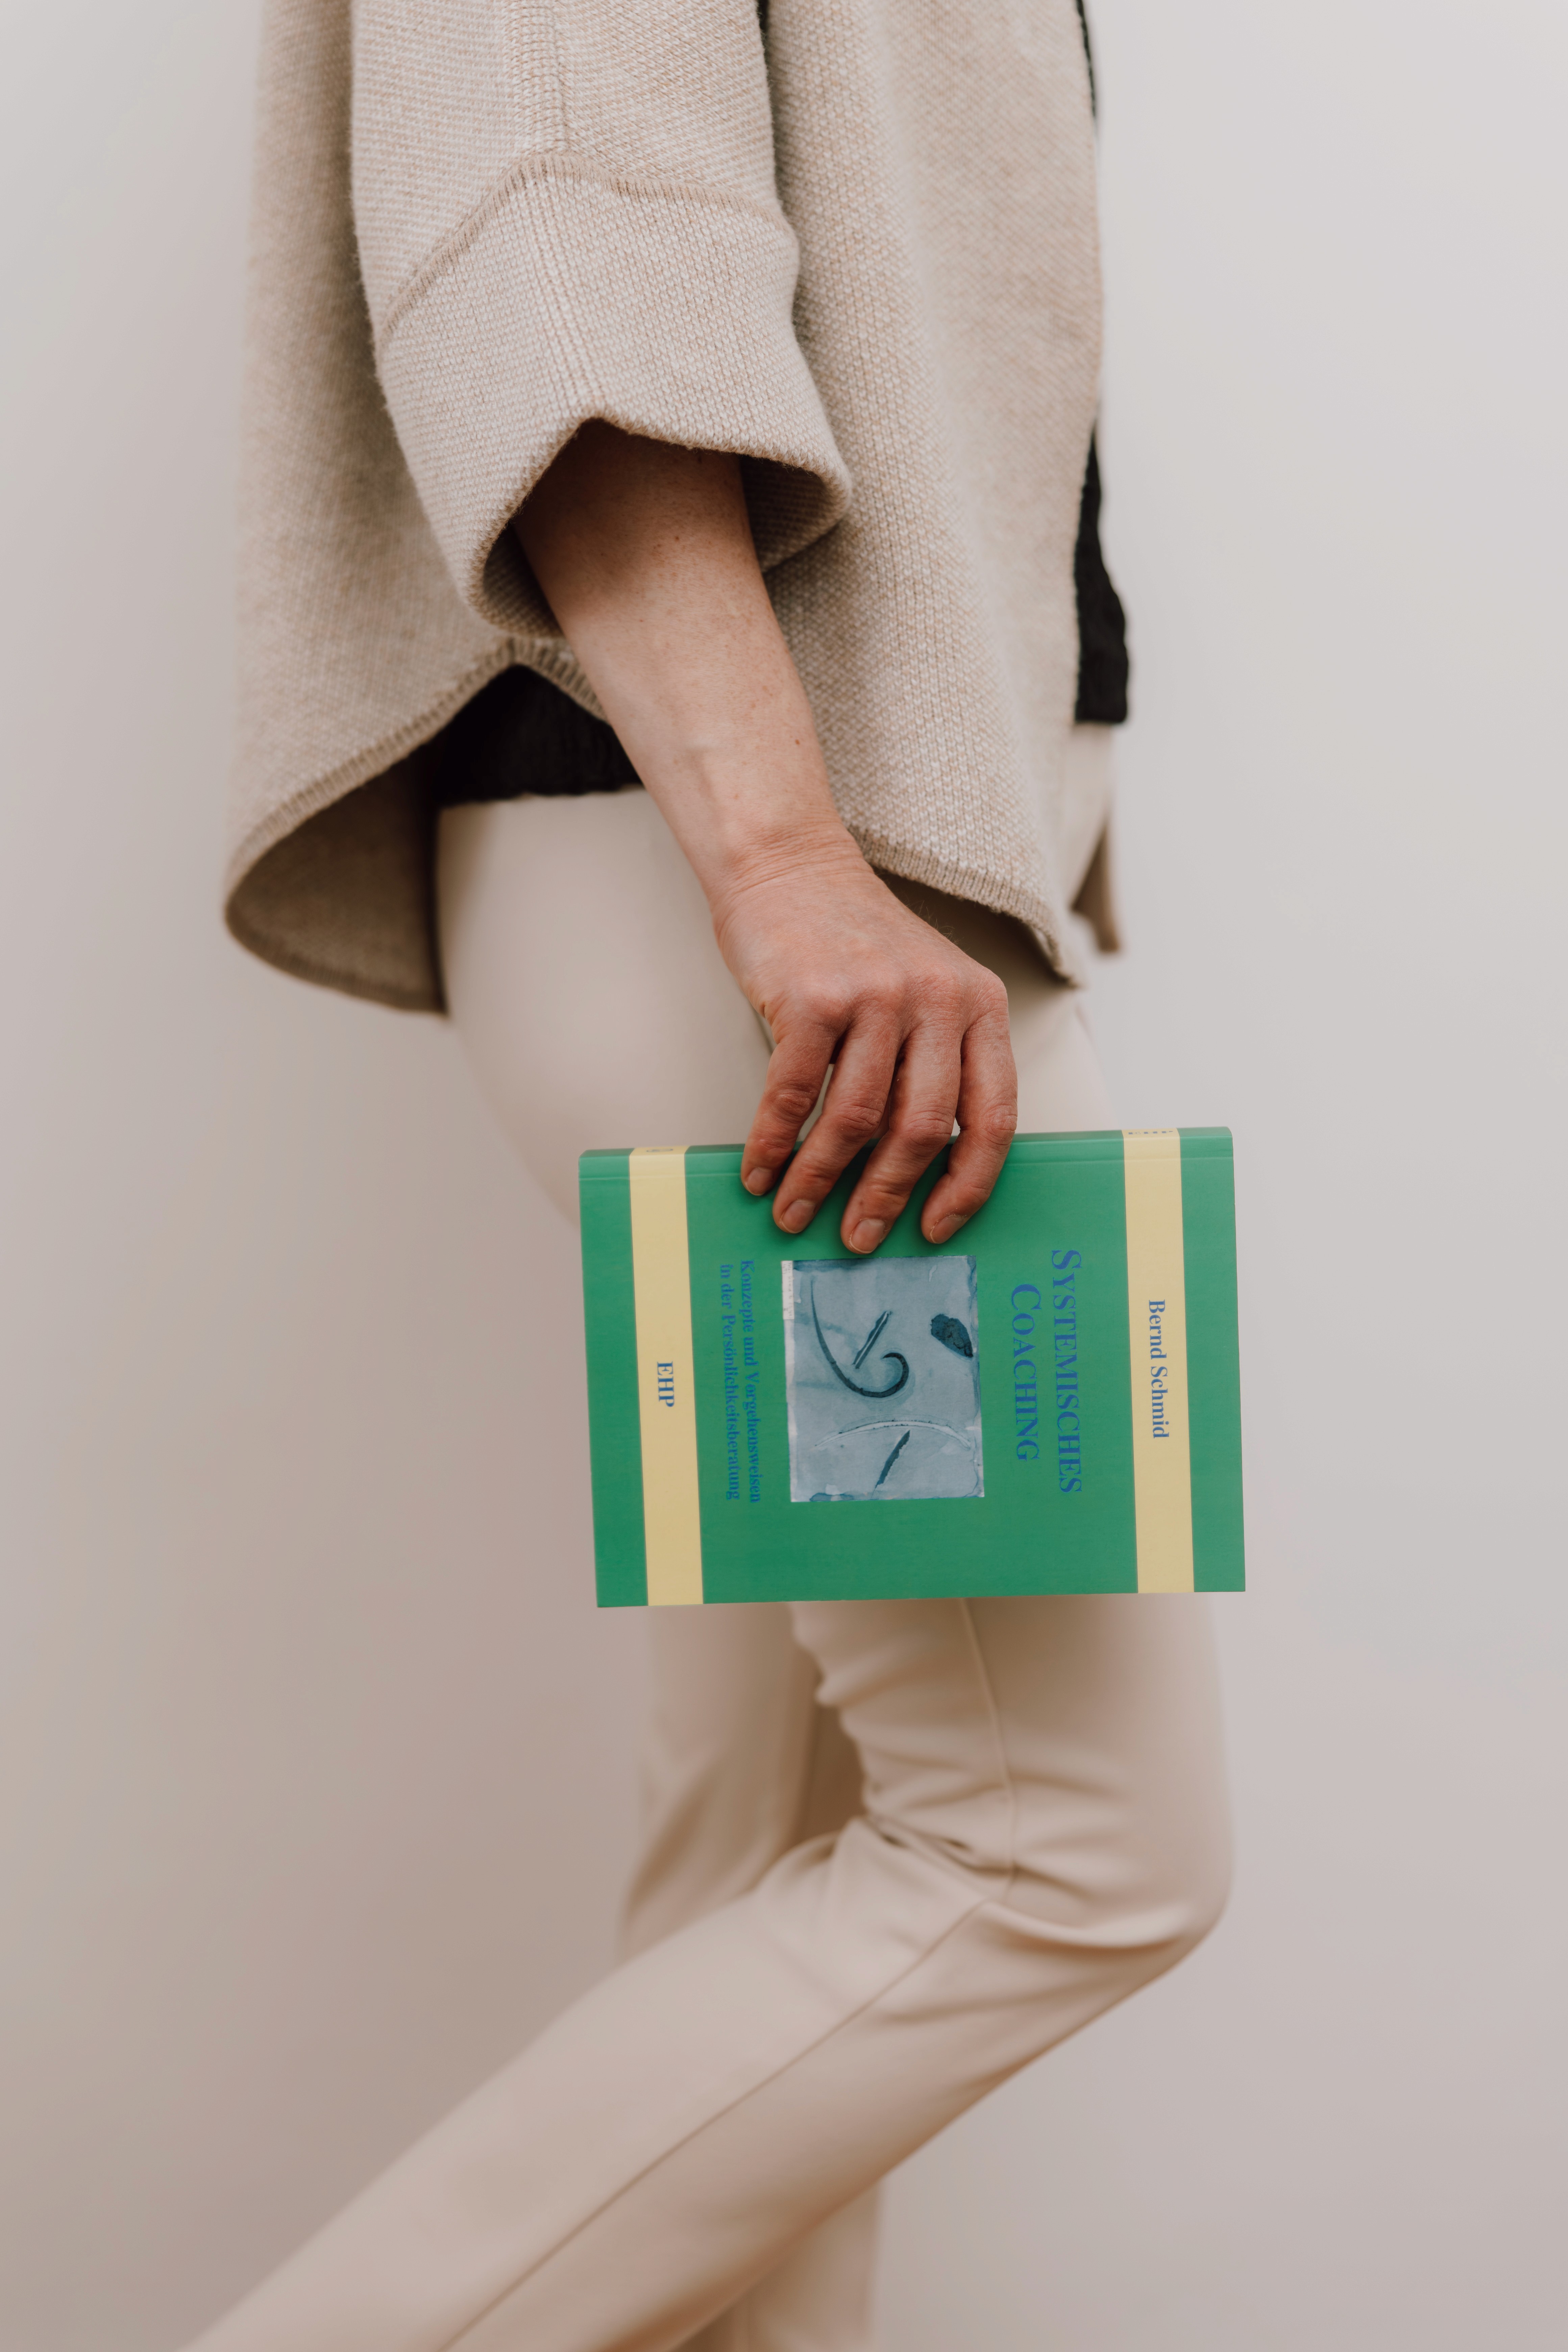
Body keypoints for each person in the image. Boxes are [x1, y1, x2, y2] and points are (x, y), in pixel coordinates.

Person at [192, 3, 1230, 2345]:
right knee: (1062, 1848)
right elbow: (561, 226)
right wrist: (784, 863)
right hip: (776, 924)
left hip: (847, 906)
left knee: (760, 1874)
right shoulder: (787, 896)